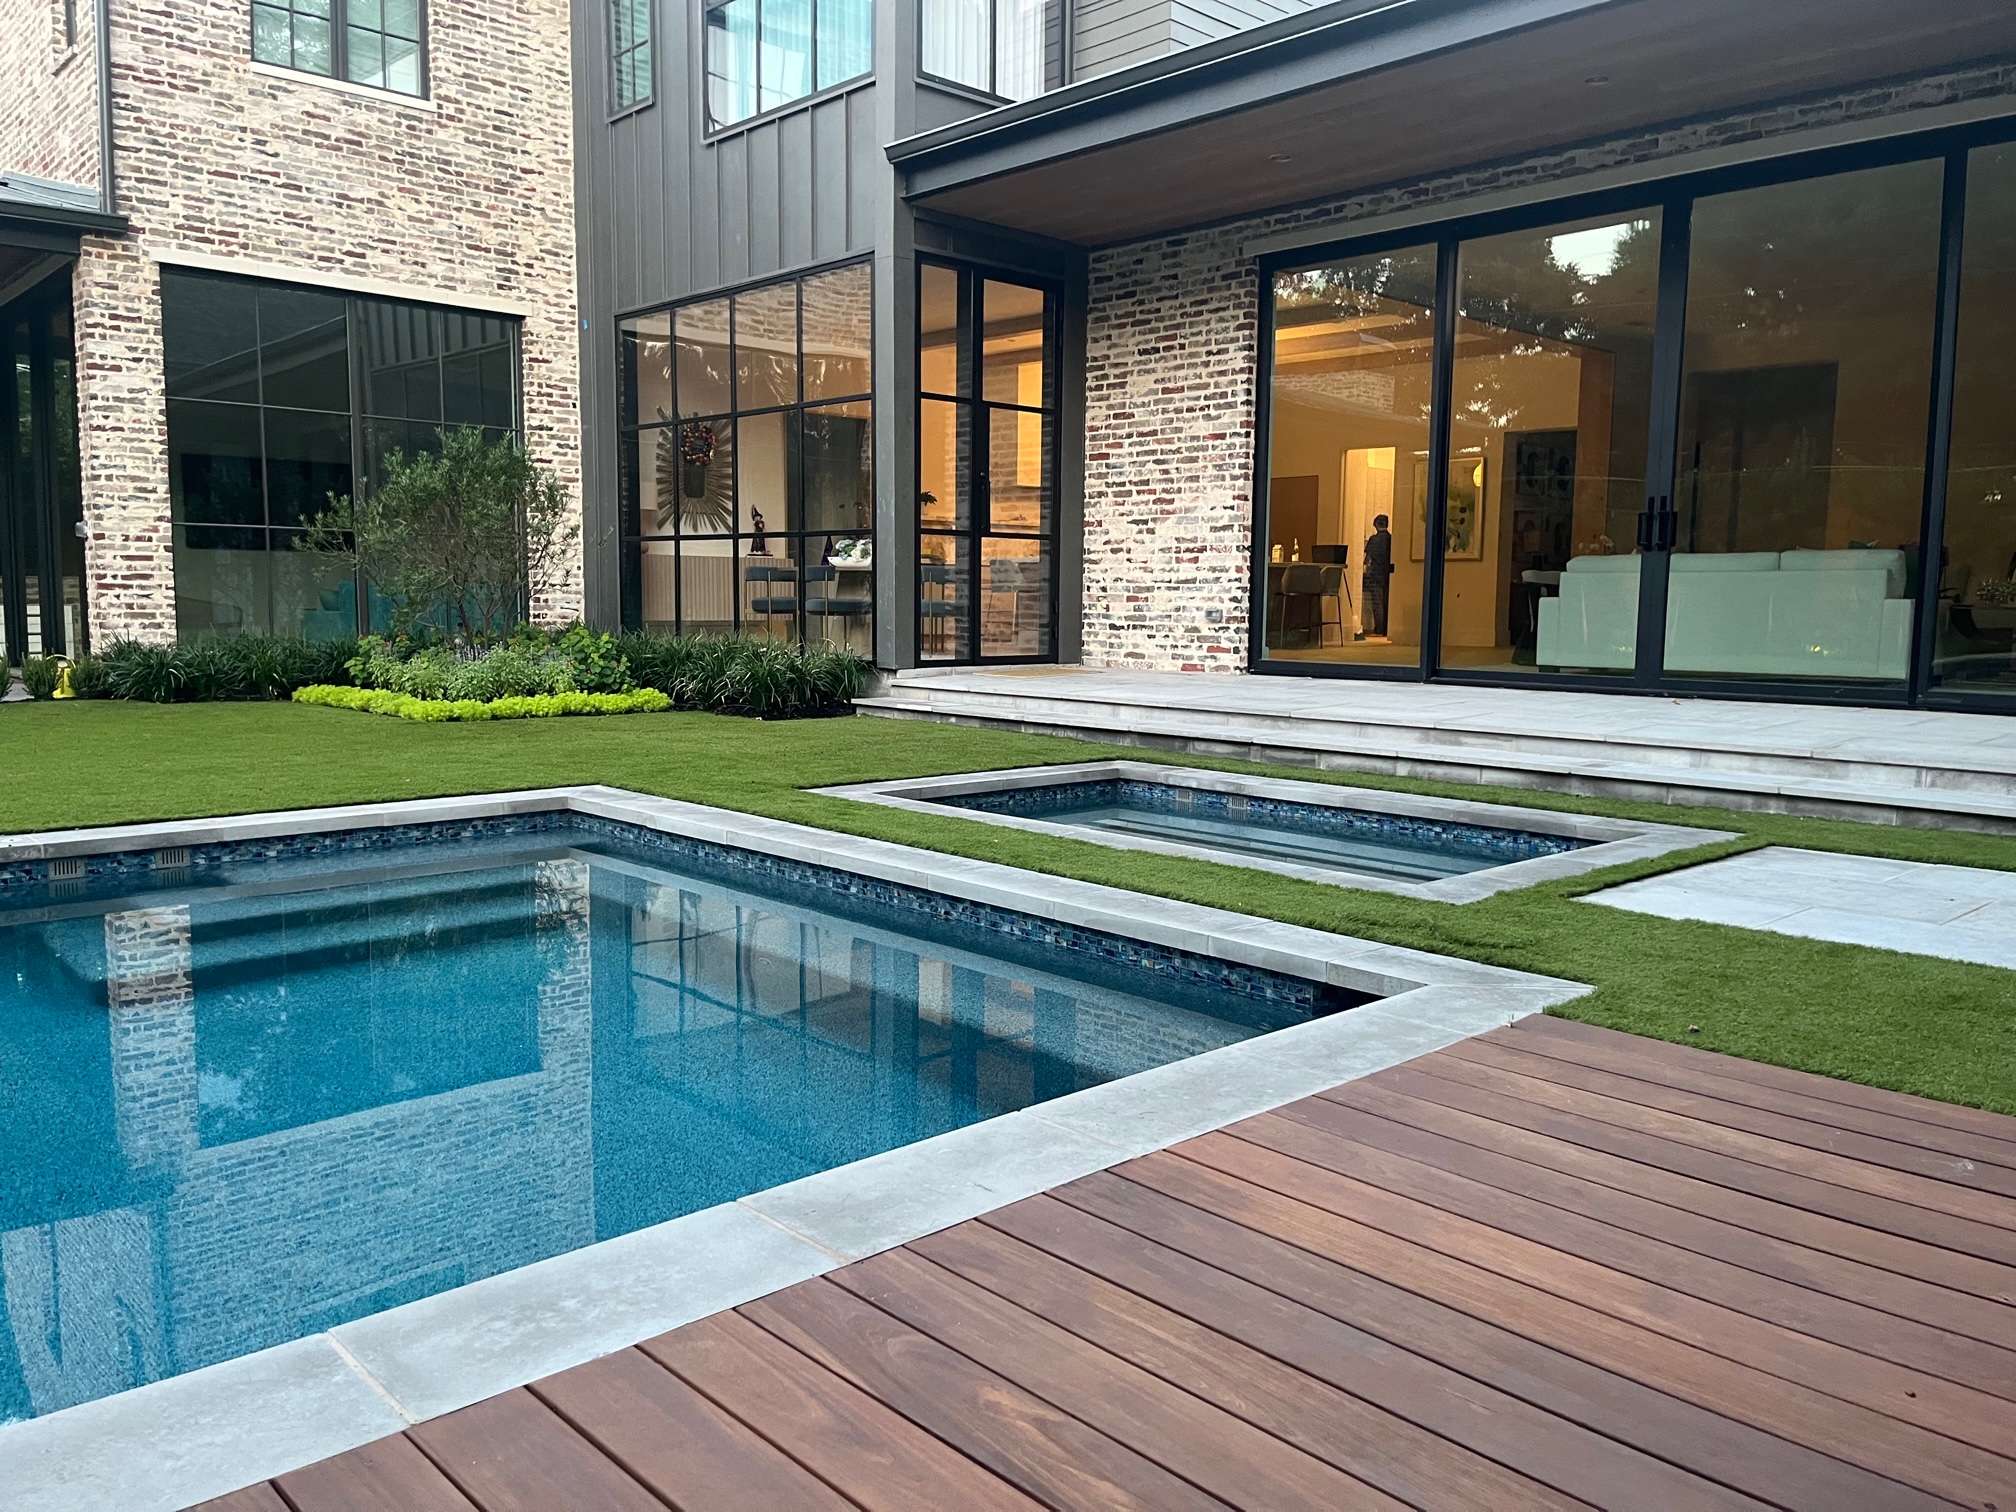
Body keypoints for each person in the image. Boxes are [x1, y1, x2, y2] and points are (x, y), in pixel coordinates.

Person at [1361, 514, 1394, 639]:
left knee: (1377, 602)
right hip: (1389, 574)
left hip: (1375, 574)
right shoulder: (1391, 539)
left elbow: (1367, 559)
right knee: (1387, 601)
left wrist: (1365, 567)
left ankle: (1379, 628)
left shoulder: (1373, 539)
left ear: (1375, 525)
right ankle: (1387, 628)